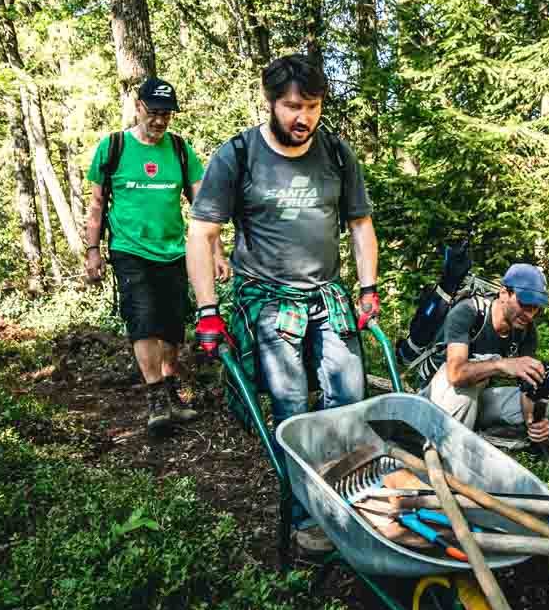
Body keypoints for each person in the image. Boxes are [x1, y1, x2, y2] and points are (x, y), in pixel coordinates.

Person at [185, 54, 380, 429]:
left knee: (350, 395)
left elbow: (360, 224)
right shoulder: (238, 155)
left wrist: (368, 289)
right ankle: (298, 483)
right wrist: (208, 311)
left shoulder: (337, 154)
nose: (303, 118)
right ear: (270, 102)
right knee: (289, 400)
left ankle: (336, 475)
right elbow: (200, 233)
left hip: (326, 293)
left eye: (312, 107)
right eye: (292, 106)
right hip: (268, 296)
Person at [83, 76, 222, 432]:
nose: (160, 120)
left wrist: (216, 251)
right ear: (139, 107)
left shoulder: (179, 150)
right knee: (143, 321)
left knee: (173, 326)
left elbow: (203, 206)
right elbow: (97, 203)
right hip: (130, 250)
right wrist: (92, 250)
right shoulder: (112, 147)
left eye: (167, 114)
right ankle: (156, 398)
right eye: (155, 112)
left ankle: (171, 390)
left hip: (175, 250)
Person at [422, 263, 549, 443]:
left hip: (478, 399)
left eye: (535, 308)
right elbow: (455, 374)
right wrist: (501, 365)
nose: (529, 315)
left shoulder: (526, 331)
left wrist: (532, 420)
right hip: (440, 397)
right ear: (504, 293)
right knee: (465, 391)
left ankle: (480, 433)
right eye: (524, 304)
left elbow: (526, 386)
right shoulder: (468, 312)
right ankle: (447, 449)